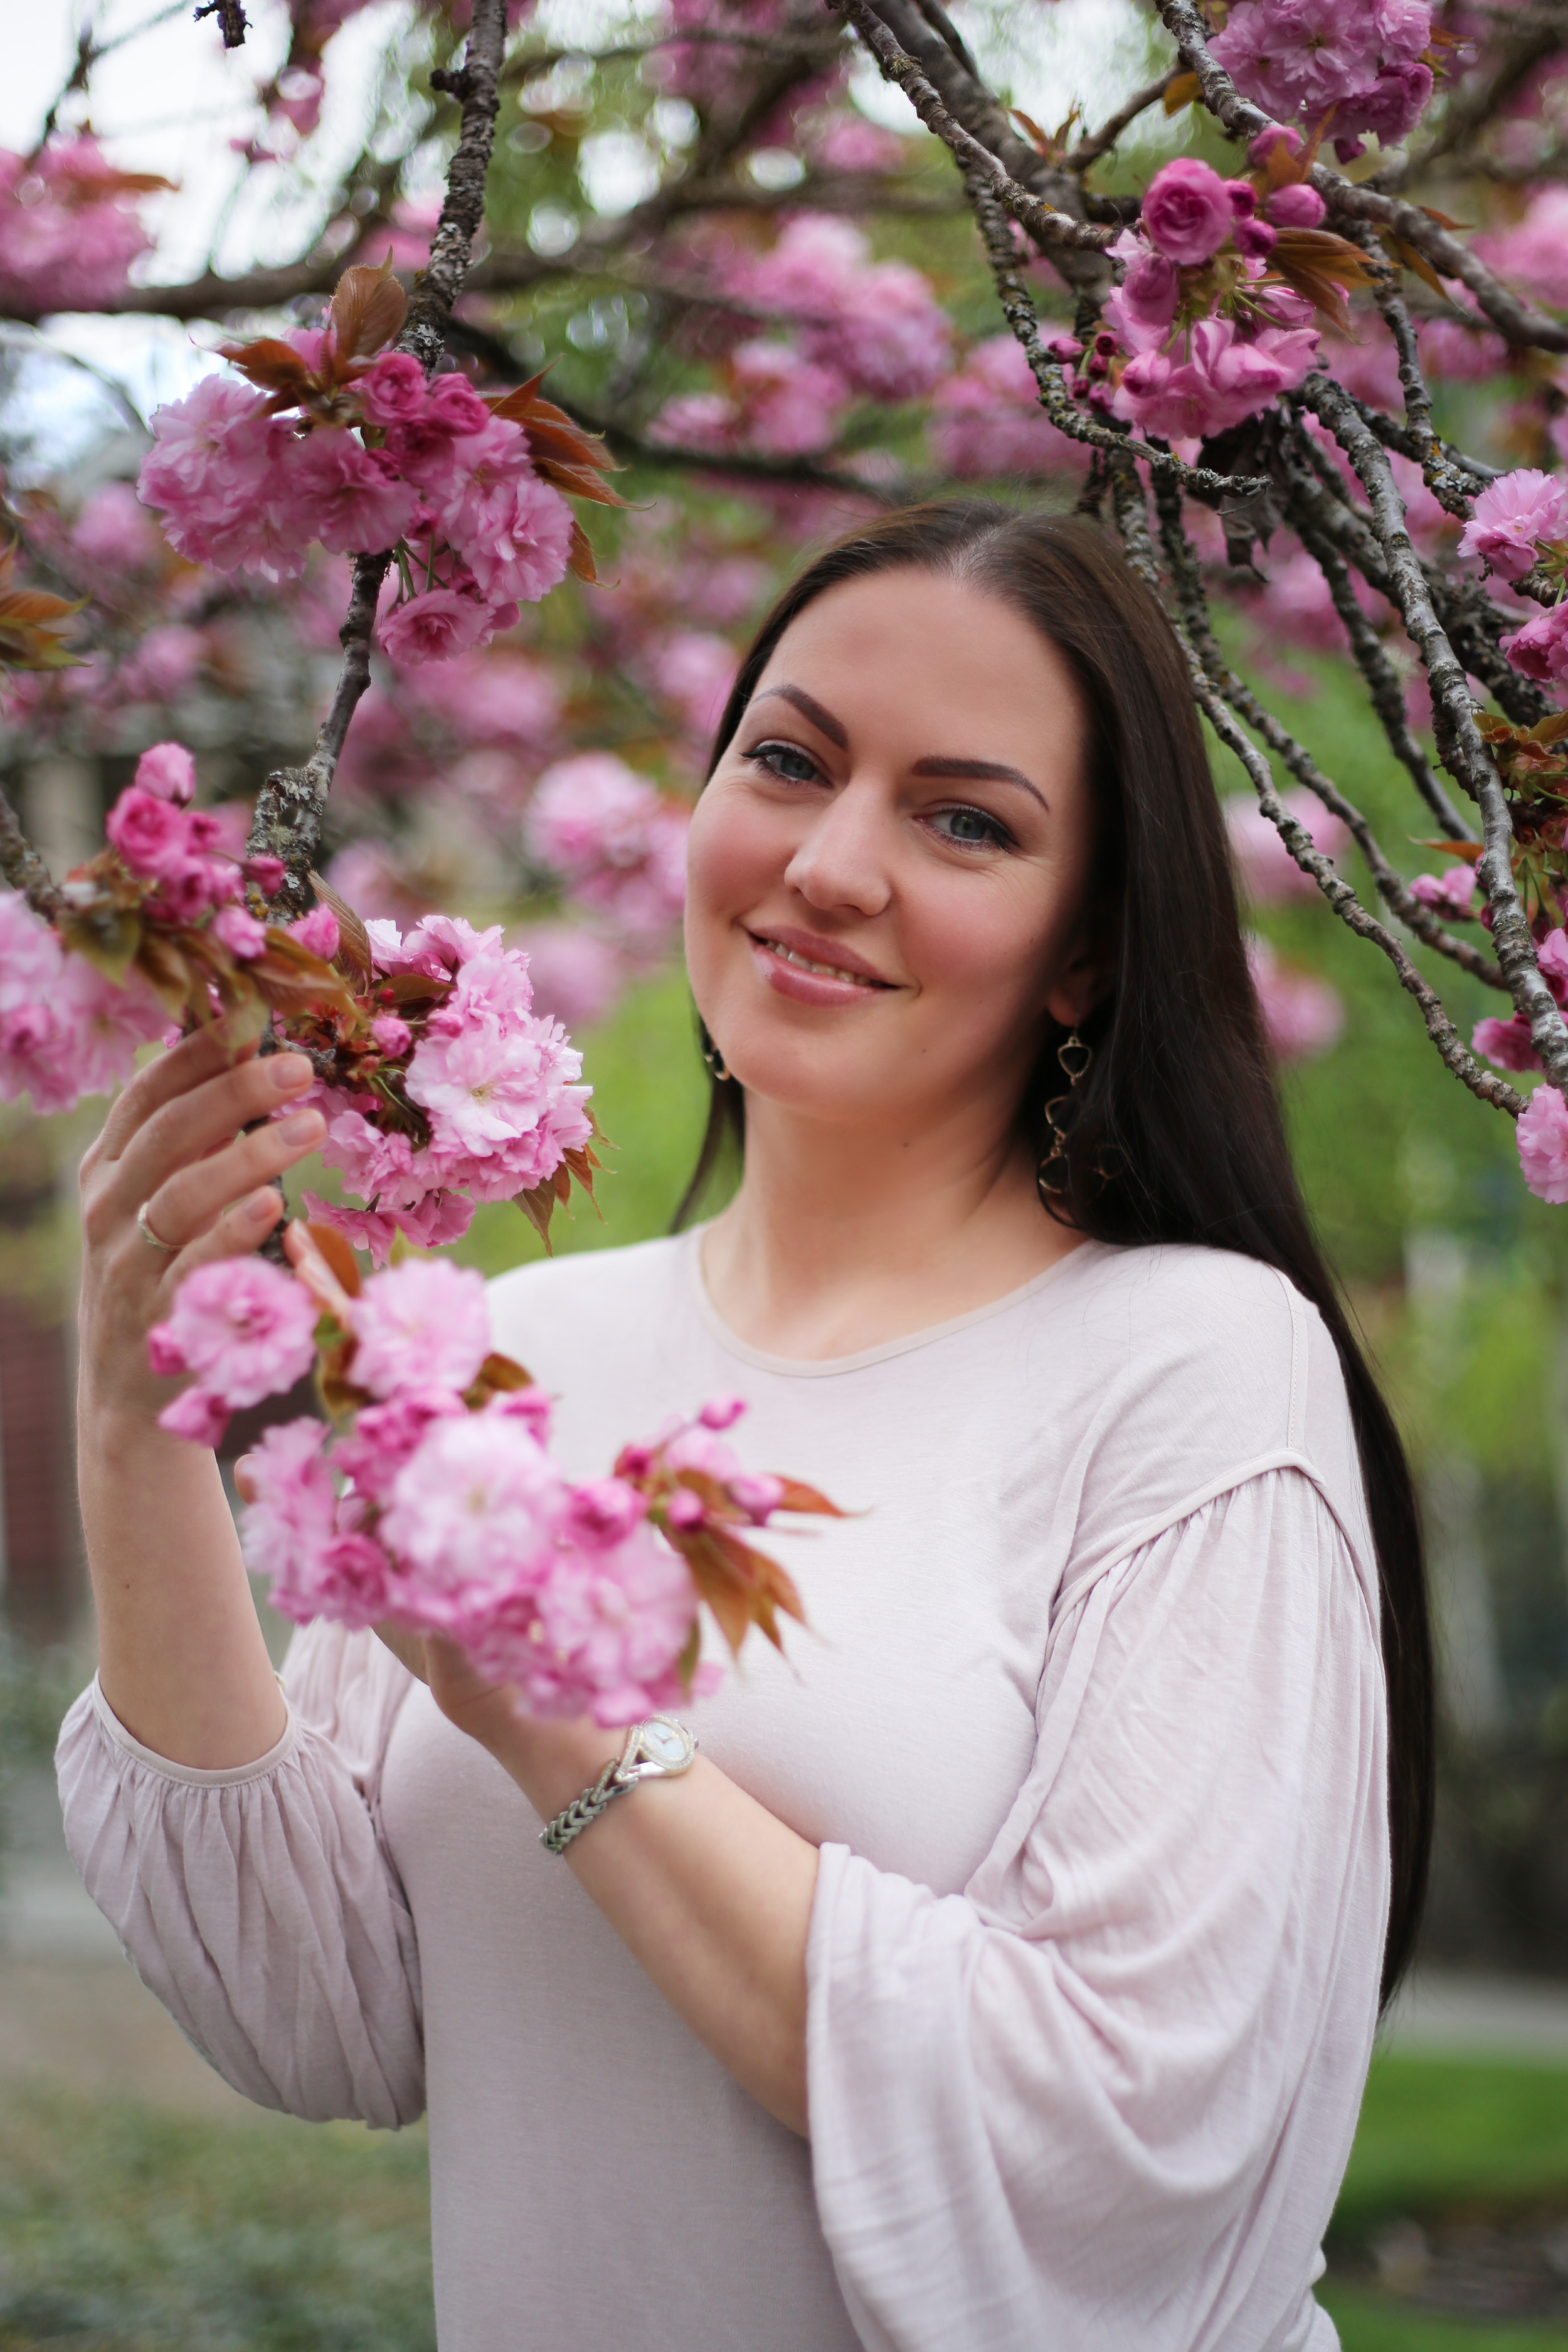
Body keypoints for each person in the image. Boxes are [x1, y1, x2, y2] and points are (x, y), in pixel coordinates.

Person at [58, 499, 1432, 2351]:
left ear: (1084, 953)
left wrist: (554, 1720)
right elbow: (319, 2014)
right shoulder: (512, 1344)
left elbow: (1122, 2144)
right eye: (787, 762)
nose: (834, 862)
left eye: (965, 819)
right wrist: (139, 1407)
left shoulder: (1190, 1366)